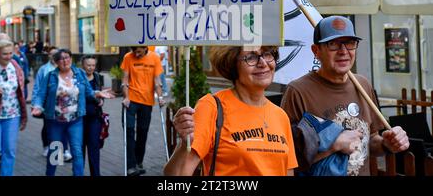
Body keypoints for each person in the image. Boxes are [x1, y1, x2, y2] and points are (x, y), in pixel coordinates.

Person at [281, 15, 409, 176]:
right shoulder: (298, 91)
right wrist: (333, 145)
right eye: (333, 44)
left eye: (350, 43)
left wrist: (386, 144)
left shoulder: (363, 84)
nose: (343, 52)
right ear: (316, 51)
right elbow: (285, 157)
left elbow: (371, 141)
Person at [164, 46, 298, 176]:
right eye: (251, 57)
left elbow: (287, 171)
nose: (263, 63)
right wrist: (183, 145)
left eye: (268, 54)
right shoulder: (211, 107)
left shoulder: (281, 116)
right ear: (232, 64)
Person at [31, 49, 113, 176]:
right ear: (56, 62)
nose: (65, 61)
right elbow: (40, 95)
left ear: (71, 59)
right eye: (61, 59)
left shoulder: (79, 73)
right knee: (55, 152)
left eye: (67, 57)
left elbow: (88, 91)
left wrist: (97, 93)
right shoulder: (51, 76)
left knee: (77, 151)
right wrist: (37, 106)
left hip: (75, 120)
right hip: (55, 121)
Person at [0, 40, 27, 176]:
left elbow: (20, 89)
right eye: (4, 54)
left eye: (10, 53)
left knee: (9, 151)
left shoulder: (15, 65)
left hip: (13, 115)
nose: (9, 57)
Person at [121, 46, 165, 176]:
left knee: (142, 132)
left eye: (139, 51)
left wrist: (161, 97)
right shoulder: (128, 57)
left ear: (145, 48)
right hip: (131, 100)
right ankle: (131, 165)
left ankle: (138, 162)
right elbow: (125, 79)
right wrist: (126, 97)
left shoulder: (155, 58)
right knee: (129, 131)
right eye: (134, 51)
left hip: (146, 101)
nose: (136, 53)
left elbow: (157, 81)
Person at [31, 46, 72, 161]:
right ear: (48, 56)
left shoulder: (67, 68)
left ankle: (65, 151)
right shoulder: (44, 70)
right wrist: (35, 103)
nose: (54, 56)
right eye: (51, 54)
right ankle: (50, 149)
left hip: (63, 105)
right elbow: (37, 87)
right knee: (49, 128)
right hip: (48, 105)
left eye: (56, 54)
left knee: (64, 127)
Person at [81, 55, 105, 176]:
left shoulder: (98, 77)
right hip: (80, 119)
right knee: (79, 149)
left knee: (94, 148)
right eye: (88, 65)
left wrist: (101, 101)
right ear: (83, 65)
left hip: (95, 118)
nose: (91, 68)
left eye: (93, 65)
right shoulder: (78, 78)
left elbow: (101, 94)